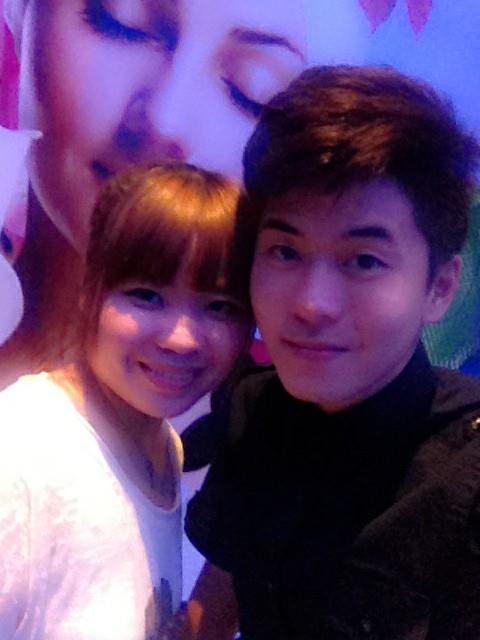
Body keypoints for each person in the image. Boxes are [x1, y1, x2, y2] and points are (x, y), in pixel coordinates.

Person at [183, 66, 480, 639]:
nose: (312, 305)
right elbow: (221, 586)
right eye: (284, 251)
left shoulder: (466, 477)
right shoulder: (253, 411)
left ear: (440, 288)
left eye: (364, 260)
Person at [0, 162, 254, 640]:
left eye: (220, 307)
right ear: (89, 290)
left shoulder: (163, 446)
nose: (182, 339)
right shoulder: (19, 455)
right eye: (146, 296)